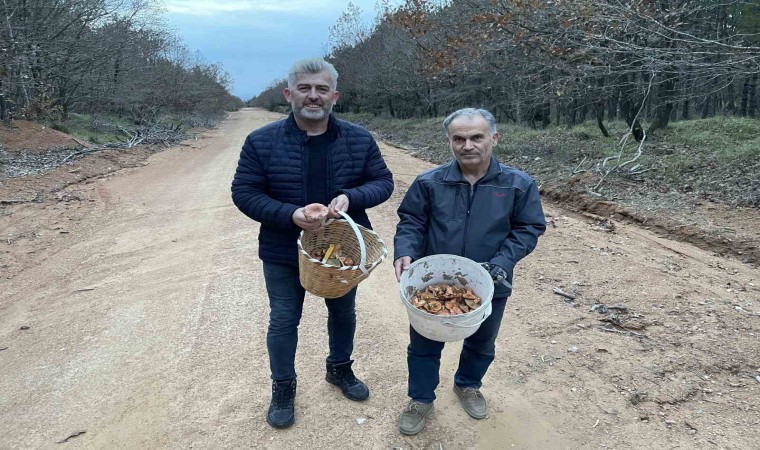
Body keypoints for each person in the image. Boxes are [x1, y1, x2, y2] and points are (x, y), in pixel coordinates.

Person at [231, 58, 394, 429]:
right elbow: (244, 192)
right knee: (284, 319)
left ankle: (339, 369)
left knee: (343, 313)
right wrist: (290, 214)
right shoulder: (261, 141)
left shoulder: (359, 138)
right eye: (305, 88)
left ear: (334, 96)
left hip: (343, 249)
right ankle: (283, 387)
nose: (313, 96)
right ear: (289, 94)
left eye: (321, 89)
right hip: (283, 248)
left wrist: (350, 198)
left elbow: (383, 182)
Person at [393, 108, 546, 435]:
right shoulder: (429, 183)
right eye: (459, 138)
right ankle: (420, 399)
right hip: (433, 284)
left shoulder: (518, 184)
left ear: (493, 138)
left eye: (477, 137)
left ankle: (468, 384)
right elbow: (412, 223)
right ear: (449, 141)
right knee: (423, 344)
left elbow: (528, 228)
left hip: (491, 283)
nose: (468, 145)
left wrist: (502, 263)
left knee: (482, 342)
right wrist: (405, 252)